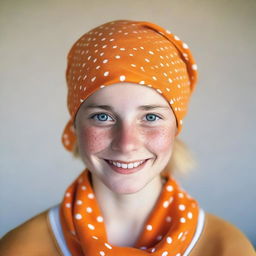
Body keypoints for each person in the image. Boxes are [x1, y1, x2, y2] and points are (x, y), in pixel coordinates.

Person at [0, 19, 255, 256]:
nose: (126, 144)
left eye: (151, 117)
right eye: (102, 117)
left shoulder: (227, 247)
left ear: (176, 127)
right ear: (74, 125)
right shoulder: (20, 248)